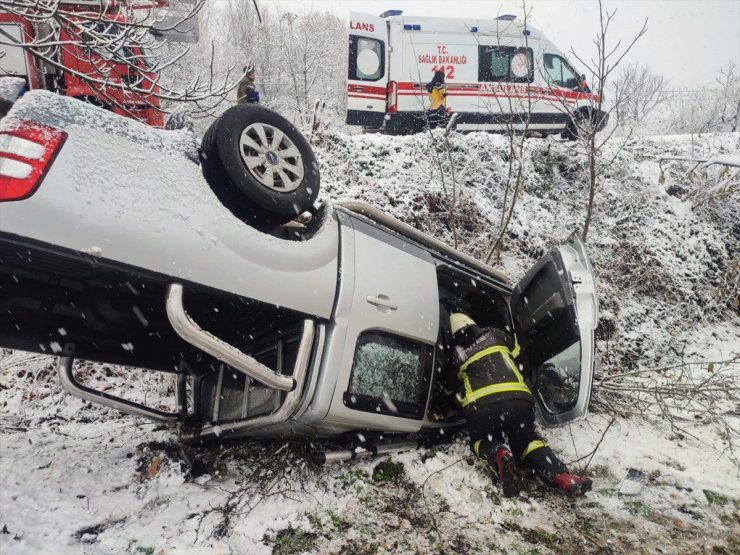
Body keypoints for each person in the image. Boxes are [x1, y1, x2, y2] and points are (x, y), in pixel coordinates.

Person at [448, 311, 593, 498]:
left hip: (482, 406)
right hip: (519, 400)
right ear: (472, 323)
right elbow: (522, 359)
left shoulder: (456, 356)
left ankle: (499, 454)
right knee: (528, 441)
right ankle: (562, 477)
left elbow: (450, 390)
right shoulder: (495, 334)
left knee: (482, 441)